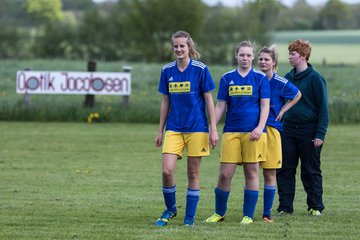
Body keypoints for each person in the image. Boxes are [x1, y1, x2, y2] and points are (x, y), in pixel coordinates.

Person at [154, 30, 218, 227]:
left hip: (197, 129)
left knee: (193, 174)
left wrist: (213, 128)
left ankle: (189, 217)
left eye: (182, 45)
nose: (179, 49)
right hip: (174, 128)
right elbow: (165, 101)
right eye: (176, 46)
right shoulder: (167, 71)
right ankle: (171, 209)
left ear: (189, 47)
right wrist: (160, 130)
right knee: (167, 171)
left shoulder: (200, 69)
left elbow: (209, 100)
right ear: (172, 48)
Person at [205, 40, 270, 224]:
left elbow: (265, 106)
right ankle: (219, 213)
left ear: (253, 57)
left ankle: (248, 216)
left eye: (249, 55)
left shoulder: (260, 78)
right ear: (236, 56)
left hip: (254, 133)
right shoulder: (227, 78)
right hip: (231, 132)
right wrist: (212, 128)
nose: (245, 58)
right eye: (242, 54)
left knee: (251, 173)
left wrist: (259, 127)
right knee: (225, 174)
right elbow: (220, 106)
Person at [276, 39, 329, 216]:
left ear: (303, 56)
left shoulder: (315, 79)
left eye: (293, 53)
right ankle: (285, 207)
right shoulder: (287, 78)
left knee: (310, 170)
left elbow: (323, 108)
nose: (289, 57)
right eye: (289, 53)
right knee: (285, 169)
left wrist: (320, 134)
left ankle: (315, 207)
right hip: (288, 130)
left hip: (309, 131)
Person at [257, 45, 301, 223]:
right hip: (254, 130)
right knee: (251, 171)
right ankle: (247, 212)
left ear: (274, 62)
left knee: (269, 172)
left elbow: (297, 95)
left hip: (272, 130)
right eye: (260, 59)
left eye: (266, 59)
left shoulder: (281, 82)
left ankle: (266, 213)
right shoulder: (254, 79)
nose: (263, 62)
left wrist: (283, 110)